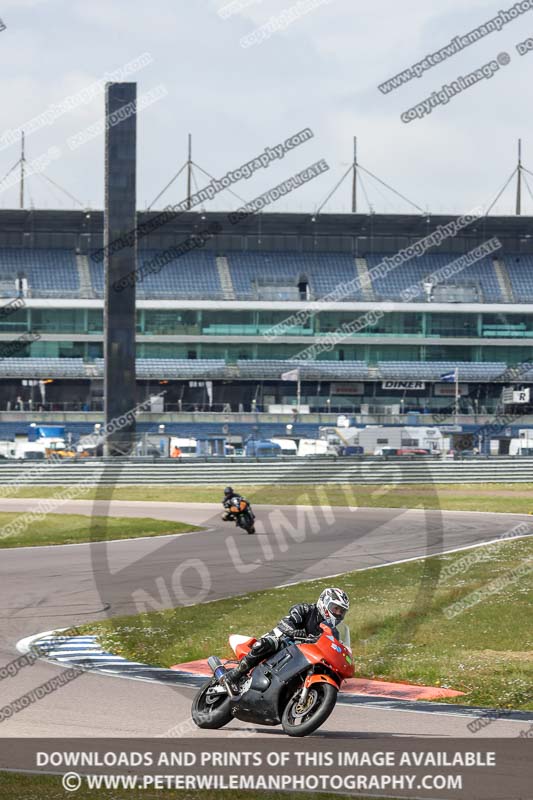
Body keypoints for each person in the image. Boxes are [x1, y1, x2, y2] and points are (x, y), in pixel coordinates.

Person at [224, 587, 350, 692]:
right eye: (336, 608)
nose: (338, 613)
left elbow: (333, 649)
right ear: (324, 603)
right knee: (270, 643)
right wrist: (293, 632)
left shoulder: (333, 633)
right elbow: (285, 622)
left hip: (304, 658)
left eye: (342, 611)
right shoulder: (305, 609)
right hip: (285, 643)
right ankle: (234, 675)